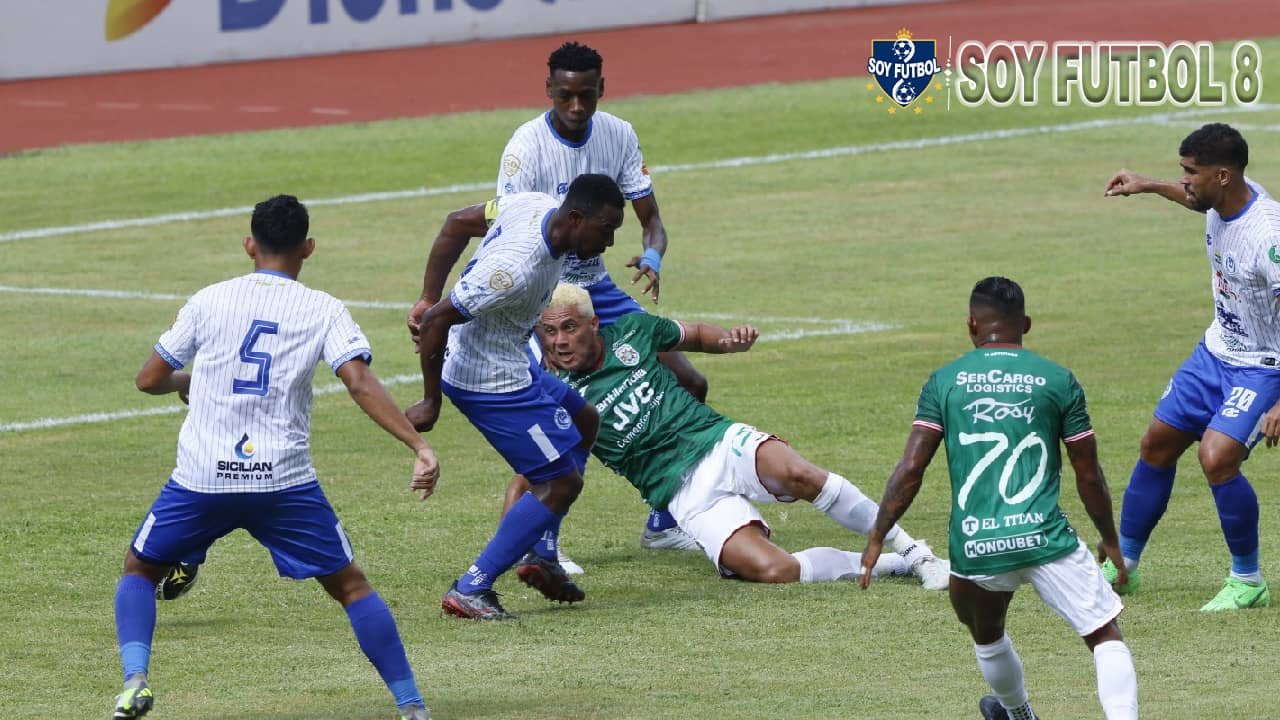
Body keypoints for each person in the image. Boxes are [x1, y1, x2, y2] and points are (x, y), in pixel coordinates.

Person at [112, 195, 437, 720]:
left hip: (202, 480)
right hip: (282, 482)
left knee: (140, 571)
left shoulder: (209, 299)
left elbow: (149, 379)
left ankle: (135, 680)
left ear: (249, 245)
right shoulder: (323, 308)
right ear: (308, 248)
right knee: (351, 587)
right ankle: (412, 706)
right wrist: (418, 445)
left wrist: (192, 380)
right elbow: (359, 382)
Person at [410, 41, 701, 567]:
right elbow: (499, 231)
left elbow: (651, 220)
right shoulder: (525, 148)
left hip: (597, 286)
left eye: (587, 95)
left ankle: (664, 518)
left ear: (602, 89)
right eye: (565, 95)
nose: (576, 106)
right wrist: (436, 297)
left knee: (688, 382)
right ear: (548, 90)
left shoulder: (619, 134)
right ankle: (540, 545)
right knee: (549, 422)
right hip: (539, 293)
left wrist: (653, 256)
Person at [494, 282, 951, 588]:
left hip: (717, 441)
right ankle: (896, 565)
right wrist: (505, 551)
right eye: (549, 332)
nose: (560, 341)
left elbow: (693, 334)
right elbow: (531, 476)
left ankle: (916, 551)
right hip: (683, 494)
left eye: (569, 328)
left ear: (593, 324)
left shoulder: (633, 332)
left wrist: (729, 342)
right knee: (774, 570)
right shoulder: (555, 398)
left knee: (800, 474)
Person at [859, 277, 1138, 720]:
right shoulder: (1057, 379)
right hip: (1045, 538)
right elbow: (1088, 474)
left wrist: (878, 535)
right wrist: (1110, 538)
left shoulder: (945, 382)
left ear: (972, 324)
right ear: (1025, 324)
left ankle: (1018, 714)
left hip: (977, 543)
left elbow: (911, 468)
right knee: (1104, 635)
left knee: (987, 635)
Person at [406, 174, 623, 620]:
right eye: (606, 230)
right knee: (559, 483)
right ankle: (472, 587)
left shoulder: (532, 203)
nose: (610, 242)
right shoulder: (514, 271)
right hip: (488, 380)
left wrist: (426, 295)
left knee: (584, 420)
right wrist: (431, 400)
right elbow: (435, 322)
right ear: (576, 218)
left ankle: (541, 553)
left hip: (510, 359)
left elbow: (456, 222)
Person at [1102, 122, 1276, 611]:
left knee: (1217, 458)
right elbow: (1193, 201)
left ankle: (1248, 580)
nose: (1184, 180)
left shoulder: (1268, 236)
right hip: (1215, 352)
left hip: (1264, 366)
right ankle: (1123, 567)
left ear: (1222, 176)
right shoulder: (1222, 198)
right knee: (1156, 442)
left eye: (1190, 172)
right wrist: (1147, 185)